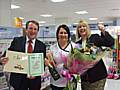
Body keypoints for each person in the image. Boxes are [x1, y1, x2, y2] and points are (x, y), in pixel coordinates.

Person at [1, 20, 46, 90]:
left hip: (34, 81)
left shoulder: (42, 46)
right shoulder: (17, 41)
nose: (33, 31)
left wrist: (37, 73)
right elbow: (6, 55)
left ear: (37, 31)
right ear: (26, 30)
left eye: (35, 29)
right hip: (19, 80)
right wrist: (1, 60)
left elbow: (42, 63)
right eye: (30, 28)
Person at [75, 20, 114, 90]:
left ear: (88, 28)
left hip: (98, 75)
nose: (82, 28)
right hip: (85, 78)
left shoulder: (94, 37)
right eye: (79, 27)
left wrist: (103, 31)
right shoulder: (77, 44)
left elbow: (110, 42)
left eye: (84, 26)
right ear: (78, 30)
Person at [45, 24, 76, 90]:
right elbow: (51, 63)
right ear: (57, 34)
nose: (63, 35)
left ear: (68, 35)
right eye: (61, 33)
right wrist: (48, 62)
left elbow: (78, 64)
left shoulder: (74, 47)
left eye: (65, 33)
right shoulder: (52, 47)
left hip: (69, 81)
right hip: (55, 80)